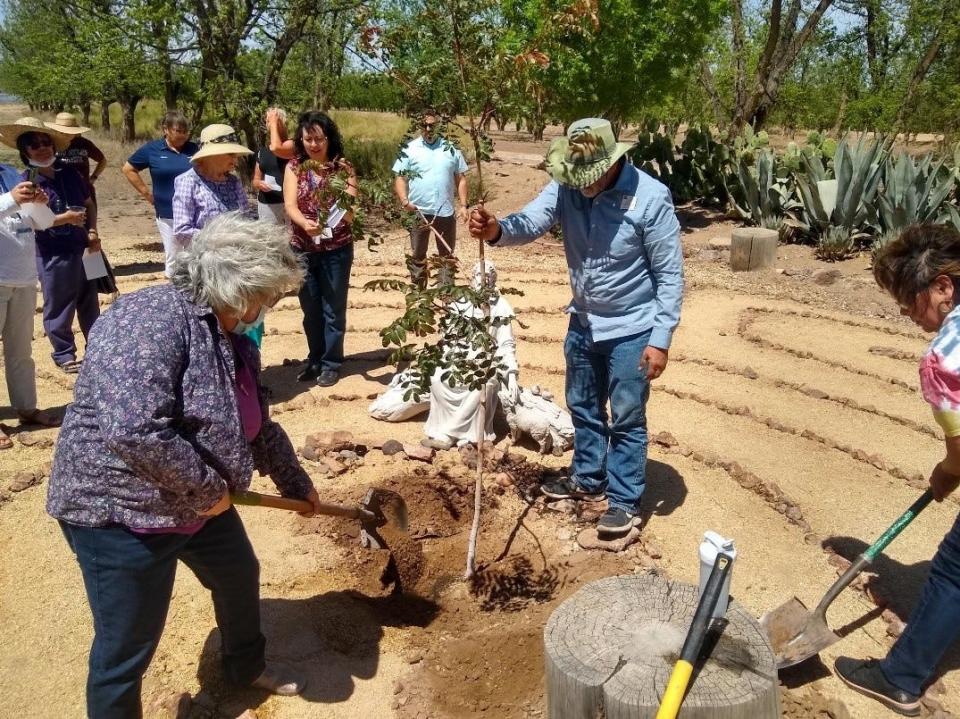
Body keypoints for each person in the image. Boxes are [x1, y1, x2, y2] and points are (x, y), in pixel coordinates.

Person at [47, 212, 322, 717]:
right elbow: (133, 428)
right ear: (237, 286)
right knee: (126, 647)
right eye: (266, 296)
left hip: (199, 504)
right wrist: (204, 489)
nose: (268, 308)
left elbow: (252, 420)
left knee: (238, 573)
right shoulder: (147, 321)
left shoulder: (231, 336)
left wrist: (294, 480)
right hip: (123, 513)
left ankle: (244, 666)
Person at [469, 118, 683, 537]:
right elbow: (531, 221)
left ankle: (623, 499)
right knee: (582, 405)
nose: (580, 184)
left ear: (612, 163)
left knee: (625, 416)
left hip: (633, 327)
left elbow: (670, 276)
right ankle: (588, 476)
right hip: (583, 320)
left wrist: (660, 340)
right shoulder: (568, 186)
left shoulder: (651, 199)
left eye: (589, 176)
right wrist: (496, 230)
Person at [834, 223, 960, 717]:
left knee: (952, 571)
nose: (906, 313)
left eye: (909, 300)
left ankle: (899, 677)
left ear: (943, 287)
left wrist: (947, 471)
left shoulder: (944, 358)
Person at [366, 260, 520, 448]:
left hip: (485, 360)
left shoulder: (501, 306)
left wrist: (511, 374)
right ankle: (443, 433)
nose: (483, 280)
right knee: (439, 378)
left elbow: (506, 343)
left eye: (488, 276)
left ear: (493, 279)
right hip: (457, 356)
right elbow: (448, 337)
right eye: (480, 275)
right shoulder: (461, 301)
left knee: (484, 384)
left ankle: (471, 436)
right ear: (472, 279)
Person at [0, 117, 100, 374]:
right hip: (53, 252)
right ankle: (64, 353)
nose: (42, 148)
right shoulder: (27, 181)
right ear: (25, 151)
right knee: (59, 304)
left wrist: (92, 230)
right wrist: (65, 219)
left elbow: (88, 203)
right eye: (34, 145)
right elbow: (30, 222)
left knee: (91, 299)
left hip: (86, 245)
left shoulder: (70, 172)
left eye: (46, 142)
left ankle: (99, 347)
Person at [283, 111, 357, 388]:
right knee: (310, 307)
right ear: (301, 140)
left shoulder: (344, 168)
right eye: (308, 139)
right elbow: (290, 205)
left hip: (336, 248)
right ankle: (314, 360)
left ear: (329, 139)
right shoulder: (293, 167)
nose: (313, 144)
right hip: (303, 247)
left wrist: (340, 204)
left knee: (333, 308)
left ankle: (331, 363)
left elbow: (350, 211)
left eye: (319, 139)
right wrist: (305, 223)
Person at [0, 161, 62, 447]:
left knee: (21, 349)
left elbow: (43, 223)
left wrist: (39, 205)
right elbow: (10, 204)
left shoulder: (12, 173)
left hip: (23, 277)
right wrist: (13, 198)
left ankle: (26, 407)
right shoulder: (12, 186)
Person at [392, 110, 469, 287]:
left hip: (445, 212)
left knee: (446, 255)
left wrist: (464, 205)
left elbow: (461, 178)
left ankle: (446, 294)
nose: (428, 128)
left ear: (438, 125)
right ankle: (419, 294)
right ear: (419, 126)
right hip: (418, 212)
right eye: (424, 125)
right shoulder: (409, 149)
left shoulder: (451, 148)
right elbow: (400, 178)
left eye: (432, 125)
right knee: (418, 254)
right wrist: (404, 201)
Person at [122, 110, 199, 277]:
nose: (183, 136)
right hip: (167, 213)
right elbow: (128, 169)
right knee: (174, 255)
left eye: (186, 132)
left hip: (195, 212)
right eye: (178, 131)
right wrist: (146, 194)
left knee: (196, 255)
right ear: (166, 129)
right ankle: (174, 294)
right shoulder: (153, 149)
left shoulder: (195, 149)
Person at [172, 123, 252, 248]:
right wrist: (222, 240)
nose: (235, 161)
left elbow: (246, 218)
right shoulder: (188, 182)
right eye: (231, 155)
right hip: (203, 260)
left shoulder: (233, 182)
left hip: (237, 257)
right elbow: (182, 232)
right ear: (211, 155)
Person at [46, 112, 107, 206]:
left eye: (69, 132)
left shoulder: (84, 143)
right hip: (58, 190)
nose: (66, 134)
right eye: (62, 131)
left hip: (83, 189)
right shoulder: (49, 144)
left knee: (87, 217)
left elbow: (102, 161)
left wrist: (93, 177)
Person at [253, 108, 289, 224]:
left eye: (274, 121)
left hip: (288, 204)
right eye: (269, 121)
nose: (270, 123)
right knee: (270, 240)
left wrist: (274, 122)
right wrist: (259, 184)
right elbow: (255, 179)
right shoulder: (262, 151)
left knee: (290, 239)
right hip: (266, 204)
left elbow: (276, 148)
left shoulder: (291, 147)